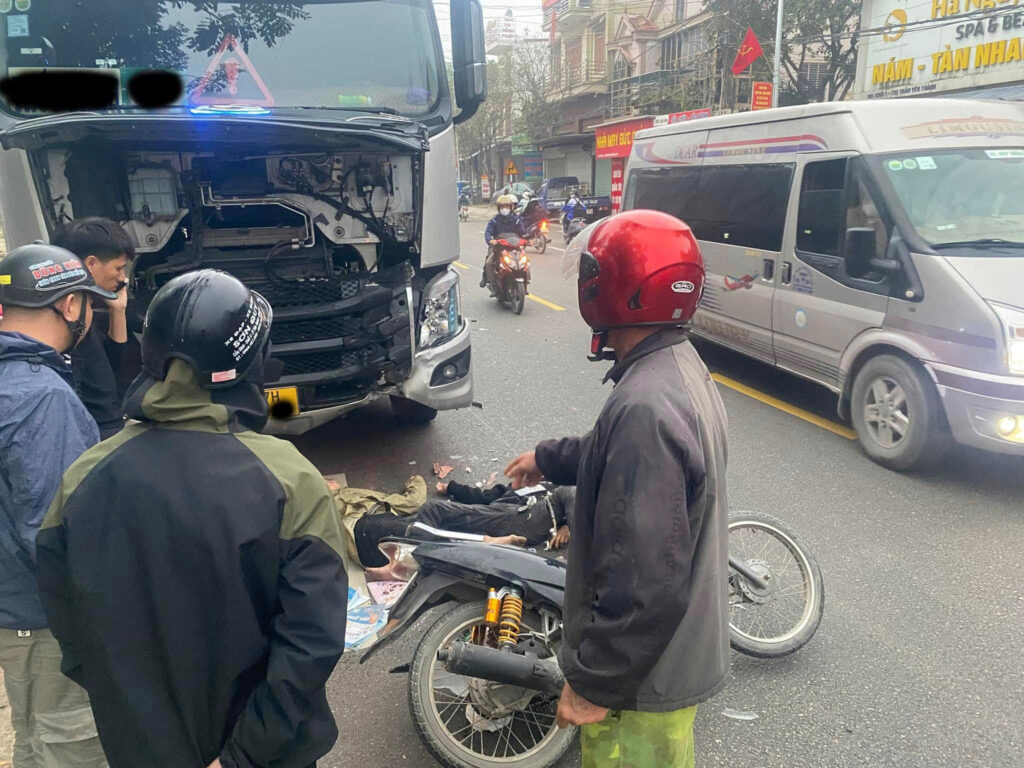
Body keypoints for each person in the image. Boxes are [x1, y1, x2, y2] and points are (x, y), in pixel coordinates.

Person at [35, 269, 349, 768]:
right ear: (252, 365)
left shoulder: (85, 476)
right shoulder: (288, 480)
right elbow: (311, 642)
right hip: (261, 754)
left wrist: (129, 707)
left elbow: (68, 626)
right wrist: (242, 754)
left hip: (139, 746)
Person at [504, 210, 730, 768]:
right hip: (663, 660)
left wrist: (595, 682)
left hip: (637, 685)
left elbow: (642, 572)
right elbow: (614, 454)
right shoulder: (677, 368)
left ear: (615, 287)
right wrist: (548, 459)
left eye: (593, 273)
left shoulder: (645, 406)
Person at [0, 242, 115, 768]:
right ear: (70, 305)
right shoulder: (42, 397)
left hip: (14, 613)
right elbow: (56, 531)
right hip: (48, 621)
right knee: (75, 746)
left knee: (35, 740)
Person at [345, 479, 574, 570]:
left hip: (525, 517)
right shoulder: (527, 484)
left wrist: (569, 526)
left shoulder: (552, 487)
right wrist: (453, 488)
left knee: (432, 513)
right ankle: (417, 554)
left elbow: (571, 492)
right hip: (502, 514)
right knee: (434, 516)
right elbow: (486, 496)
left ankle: (415, 555)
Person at [53, 217, 136, 440]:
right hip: (97, 431)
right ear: (91, 264)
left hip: (110, 423)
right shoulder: (68, 320)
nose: (123, 278)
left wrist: (118, 310)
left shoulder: (84, 309)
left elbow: (110, 365)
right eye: (119, 268)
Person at [481, 193, 527, 289]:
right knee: (489, 262)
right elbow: (488, 232)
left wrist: (527, 238)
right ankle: (489, 280)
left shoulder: (516, 220)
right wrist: (490, 240)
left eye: (507, 206)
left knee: (525, 262)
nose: (504, 209)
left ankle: (527, 280)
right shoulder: (494, 221)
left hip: (514, 247)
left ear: (511, 207)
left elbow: (522, 231)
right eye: (502, 207)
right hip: (498, 247)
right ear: (499, 208)